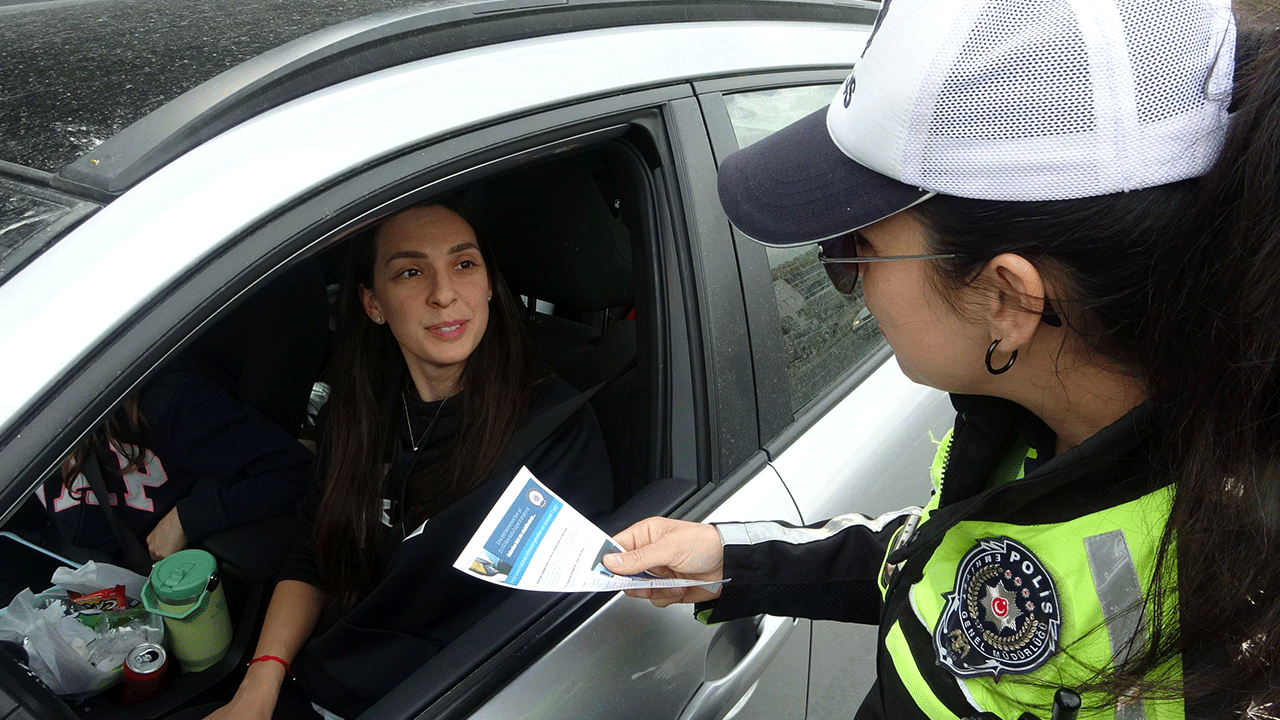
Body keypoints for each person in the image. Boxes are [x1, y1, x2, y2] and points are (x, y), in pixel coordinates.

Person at [604, 1, 1280, 718]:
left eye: (854, 249)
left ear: (1007, 298)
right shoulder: (1028, 419)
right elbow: (938, 561)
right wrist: (735, 561)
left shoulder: (1224, 627)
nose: (843, 280)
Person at [206, 200, 613, 719]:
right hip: (317, 680)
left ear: (490, 284)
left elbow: (541, 632)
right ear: (373, 303)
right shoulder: (358, 411)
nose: (444, 293)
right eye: (411, 272)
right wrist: (260, 682)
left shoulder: (553, 431)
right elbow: (315, 550)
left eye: (464, 264)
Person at [40, 355, 315, 566]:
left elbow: (297, 471)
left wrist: (187, 518)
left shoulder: (174, 403)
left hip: (153, 576)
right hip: (57, 561)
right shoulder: (32, 411)